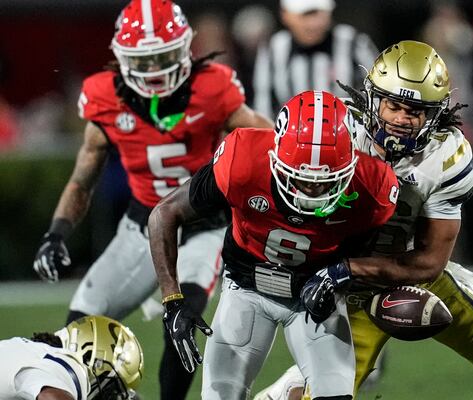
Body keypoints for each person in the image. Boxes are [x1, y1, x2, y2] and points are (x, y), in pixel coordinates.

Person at [255, 40, 473, 400]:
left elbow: (428, 261)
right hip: (349, 292)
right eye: (393, 105)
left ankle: (465, 289)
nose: (401, 119)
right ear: (374, 99)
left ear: (435, 114)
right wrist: (329, 271)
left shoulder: (444, 157)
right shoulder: (336, 132)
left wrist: (348, 268)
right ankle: (285, 389)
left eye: (415, 111)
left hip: (410, 269)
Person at [31, 1, 273, 399]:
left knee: (184, 317)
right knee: (77, 329)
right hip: (141, 224)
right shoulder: (105, 98)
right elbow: (82, 180)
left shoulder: (214, 87)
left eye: (163, 56)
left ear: (184, 49)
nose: (155, 70)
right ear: (122, 59)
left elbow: (267, 145)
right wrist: (56, 233)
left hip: (202, 225)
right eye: (143, 61)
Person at [148, 90, 400, 399]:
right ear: (276, 156)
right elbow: (165, 213)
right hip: (246, 289)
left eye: (326, 181)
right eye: (302, 179)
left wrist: (348, 281)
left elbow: (376, 260)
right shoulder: (242, 159)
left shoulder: (373, 186)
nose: (313, 191)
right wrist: (173, 301)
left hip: (315, 297)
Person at [253, 0, 378, 119]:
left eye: (319, 13)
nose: (313, 23)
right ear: (285, 15)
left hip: (350, 136)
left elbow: (379, 95)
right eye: (305, 15)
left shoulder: (354, 43)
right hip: (290, 137)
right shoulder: (273, 49)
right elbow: (264, 107)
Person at [0, 315, 143, 400]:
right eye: (110, 392)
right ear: (92, 359)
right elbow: (51, 396)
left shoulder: (33, 352)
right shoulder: (67, 365)